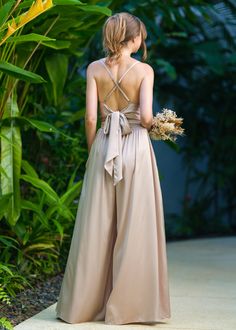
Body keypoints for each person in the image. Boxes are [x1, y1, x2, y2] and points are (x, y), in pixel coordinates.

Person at [55, 12, 171, 325]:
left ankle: (82, 307)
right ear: (133, 39)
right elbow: (146, 117)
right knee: (135, 225)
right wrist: (159, 124)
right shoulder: (144, 70)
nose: (142, 41)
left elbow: (90, 118)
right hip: (135, 147)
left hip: (104, 146)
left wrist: (95, 149)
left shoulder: (94, 68)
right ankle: (130, 309)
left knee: (96, 226)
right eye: (141, 36)